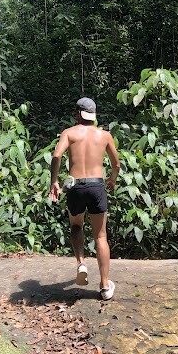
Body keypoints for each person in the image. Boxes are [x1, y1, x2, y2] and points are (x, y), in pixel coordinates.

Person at [49, 97, 120, 300]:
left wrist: (54, 182)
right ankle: (105, 286)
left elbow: (56, 156)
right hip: (97, 185)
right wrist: (112, 179)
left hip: (76, 186)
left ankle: (81, 263)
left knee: (76, 226)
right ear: (93, 115)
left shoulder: (69, 133)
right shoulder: (104, 135)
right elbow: (116, 164)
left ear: (77, 114)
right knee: (101, 236)